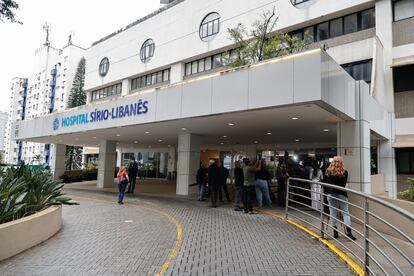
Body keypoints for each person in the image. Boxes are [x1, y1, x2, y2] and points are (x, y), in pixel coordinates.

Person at [324, 156, 356, 240]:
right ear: (341, 162)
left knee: (332, 212)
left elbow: (326, 182)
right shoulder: (345, 172)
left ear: (333, 162)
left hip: (331, 193)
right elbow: (344, 184)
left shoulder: (328, 171)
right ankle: (348, 232)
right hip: (341, 193)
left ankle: (335, 233)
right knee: (345, 212)